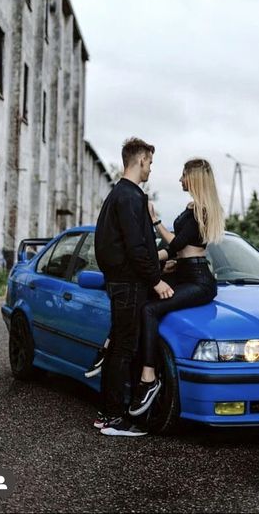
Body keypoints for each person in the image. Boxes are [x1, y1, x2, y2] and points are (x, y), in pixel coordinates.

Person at [128, 158, 225, 417]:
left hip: (198, 280)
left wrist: (146, 256)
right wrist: (157, 226)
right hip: (184, 272)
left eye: (183, 175)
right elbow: (177, 247)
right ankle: (114, 350)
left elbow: (173, 246)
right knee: (140, 296)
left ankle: (149, 378)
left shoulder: (200, 210)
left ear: (194, 178)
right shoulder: (193, 207)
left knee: (150, 310)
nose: (180, 179)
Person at [93, 137, 174, 436]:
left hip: (120, 282)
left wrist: (159, 262)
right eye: (150, 162)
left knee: (119, 347)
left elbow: (115, 246)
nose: (151, 168)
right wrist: (157, 279)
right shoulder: (131, 197)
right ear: (139, 160)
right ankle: (113, 419)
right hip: (128, 285)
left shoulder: (117, 195)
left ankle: (106, 415)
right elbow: (136, 246)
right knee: (124, 348)